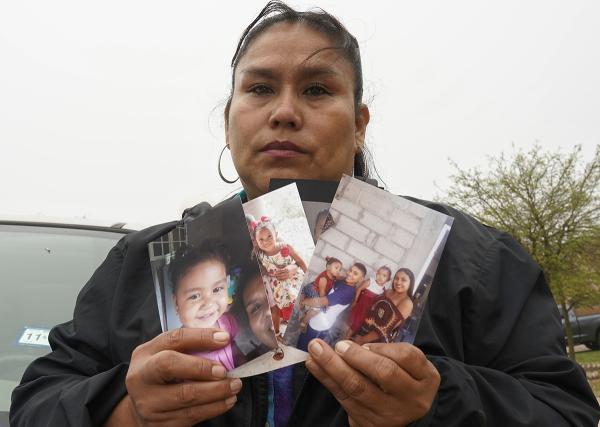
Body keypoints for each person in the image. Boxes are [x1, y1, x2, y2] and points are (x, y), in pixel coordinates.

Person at [10, 1, 600, 426]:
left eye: (317, 90)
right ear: (229, 118)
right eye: (260, 89)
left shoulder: (473, 258)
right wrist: (125, 408)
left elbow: (566, 410)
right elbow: (37, 401)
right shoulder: (144, 263)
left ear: (359, 120)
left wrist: (438, 402)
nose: (285, 112)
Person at [169, 241, 240, 370]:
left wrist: (239, 358)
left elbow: (233, 343)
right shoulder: (177, 352)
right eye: (194, 296)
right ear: (176, 303)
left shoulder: (228, 322)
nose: (209, 303)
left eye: (217, 289)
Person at [251, 215, 308, 337]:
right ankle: (297, 326)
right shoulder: (259, 255)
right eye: (261, 239)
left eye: (269, 236)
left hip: (292, 280)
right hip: (277, 286)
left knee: (298, 301)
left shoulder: (285, 247)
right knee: (286, 307)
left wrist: (309, 278)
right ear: (256, 241)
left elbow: (300, 261)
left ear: (276, 234)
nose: (266, 241)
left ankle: (304, 321)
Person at [297, 262, 367, 351]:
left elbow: (322, 302)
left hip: (319, 326)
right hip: (314, 320)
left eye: (355, 273)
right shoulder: (343, 282)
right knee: (300, 346)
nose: (350, 273)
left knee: (303, 351)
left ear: (361, 279)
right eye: (350, 270)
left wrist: (304, 301)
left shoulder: (348, 292)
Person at [352, 268, 415, 345]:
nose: (398, 282)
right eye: (396, 278)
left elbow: (386, 329)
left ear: (410, 283)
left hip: (375, 342)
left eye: (403, 280)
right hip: (362, 329)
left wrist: (362, 340)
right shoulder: (388, 292)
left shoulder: (407, 303)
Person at [346, 265, 392, 338]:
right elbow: (359, 289)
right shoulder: (370, 282)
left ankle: (347, 342)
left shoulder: (383, 290)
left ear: (388, 279)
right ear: (376, 274)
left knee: (358, 329)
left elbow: (378, 305)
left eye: (384, 276)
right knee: (353, 326)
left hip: (368, 313)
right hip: (360, 308)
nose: (380, 277)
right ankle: (343, 340)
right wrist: (355, 301)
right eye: (379, 274)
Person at [299, 256, 343, 331]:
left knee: (317, 308)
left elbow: (340, 278)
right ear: (328, 267)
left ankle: (304, 311)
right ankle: (303, 322)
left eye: (340, 269)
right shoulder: (324, 279)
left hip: (317, 291)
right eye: (336, 268)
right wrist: (324, 304)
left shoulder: (334, 276)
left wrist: (345, 278)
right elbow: (322, 292)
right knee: (317, 309)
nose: (338, 271)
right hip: (312, 290)